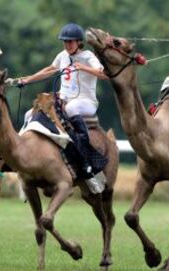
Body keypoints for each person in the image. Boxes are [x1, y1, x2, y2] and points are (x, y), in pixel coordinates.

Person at [20, 23, 108, 192]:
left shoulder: (88, 55)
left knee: (72, 108)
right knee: (30, 113)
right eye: (65, 42)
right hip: (63, 100)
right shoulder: (62, 56)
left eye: (71, 42)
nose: (67, 45)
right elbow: (49, 70)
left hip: (85, 102)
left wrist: (83, 67)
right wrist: (27, 80)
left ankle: (84, 155)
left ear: (78, 42)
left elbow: (103, 74)